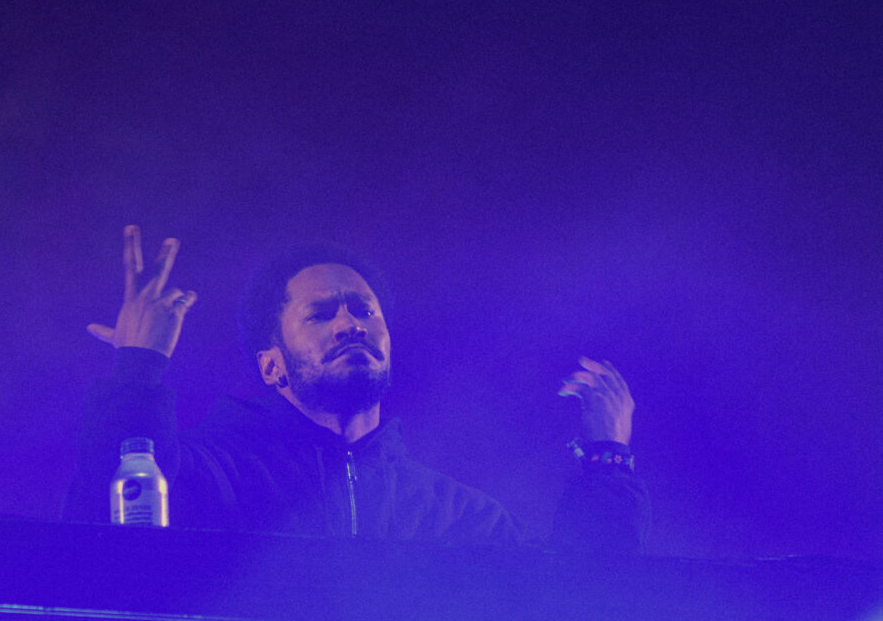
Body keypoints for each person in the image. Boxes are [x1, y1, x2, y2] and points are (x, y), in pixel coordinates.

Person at [64, 226, 650, 551]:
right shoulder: (210, 476)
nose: (350, 324)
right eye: (321, 315)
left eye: (363, 311)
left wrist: (608, 458)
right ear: (273, 367)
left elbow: (581, 601)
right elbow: (102, 541)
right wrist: (138, 369)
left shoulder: (454, 517)